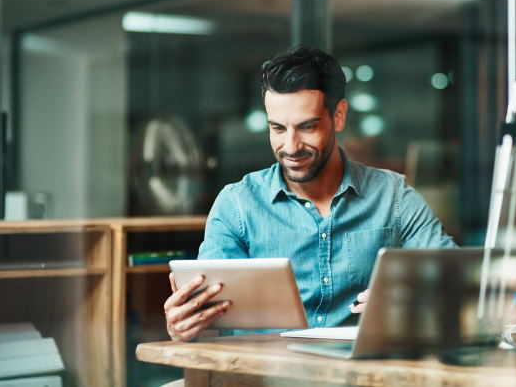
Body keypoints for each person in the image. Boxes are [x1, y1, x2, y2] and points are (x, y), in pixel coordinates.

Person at [164, 46, 457, 342]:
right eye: (277, 128)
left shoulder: (393, 196)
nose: (290, 146)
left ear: (339, 115)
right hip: (259, 376)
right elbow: (207, 307)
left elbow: (457, 280)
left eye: (307, 127)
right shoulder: (237, 204)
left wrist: (416, 299)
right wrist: (183, 325)